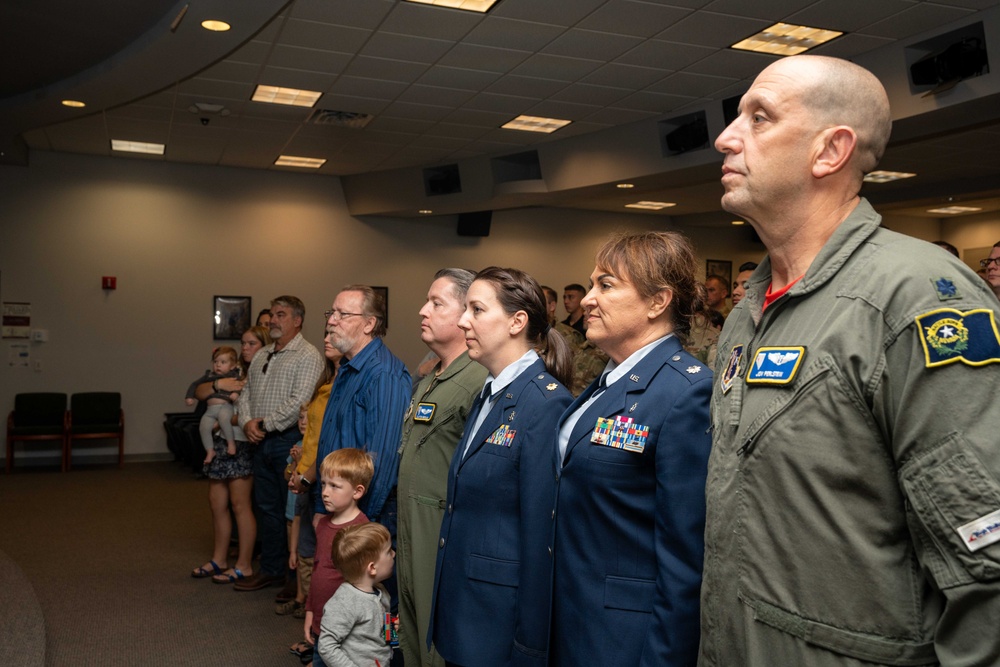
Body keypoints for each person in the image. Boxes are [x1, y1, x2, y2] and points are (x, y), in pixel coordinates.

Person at [701, 55, 1000, 667]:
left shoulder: (912, 296)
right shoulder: (748, 309)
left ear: (829, 151)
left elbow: (985, 558)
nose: (725, 138)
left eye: (759, 118)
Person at [550, 231, 712, 667]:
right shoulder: (610, 380)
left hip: (624, 637)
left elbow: (684, 558)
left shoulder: (686, 392)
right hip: (572, 618)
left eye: (605, 285)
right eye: (591, 285)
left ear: (658, 302)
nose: (586, 299)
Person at [429, 267, 574, 667]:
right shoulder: (490, 393)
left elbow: (541, 536)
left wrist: (530, 645)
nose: (463, 321)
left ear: (517, 321)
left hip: (499, 623)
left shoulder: (545, 404)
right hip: (467, 608)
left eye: (476, 310)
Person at [397, 269, 488, 667]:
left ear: (467, 313)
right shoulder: (432, 375)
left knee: (437, 638)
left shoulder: (479, 378)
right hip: (409, 524)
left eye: (436, 303)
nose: (423, 311)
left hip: (440, 530)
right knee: (411, 629)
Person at [235, 296, 325, 593]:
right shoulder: (262, 355)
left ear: (297, 320)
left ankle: (293, 580)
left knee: (292, 515)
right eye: (272, 314)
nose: (273, 320)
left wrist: (263, 424)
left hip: (287, 441)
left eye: (281, 314)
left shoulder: (307, 355)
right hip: (260, 442)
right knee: (267, 508)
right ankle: (272, 570)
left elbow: (300, 400)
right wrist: (248, 421)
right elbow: (246, 392)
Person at [314, 285, 410, 528]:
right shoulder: (347, 368)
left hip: (360, 516)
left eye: (342, 315)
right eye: (331, 313)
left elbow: (382, 460)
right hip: (337, 508)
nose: (332, 321)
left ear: (369, 324)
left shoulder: (384, 375)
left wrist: (361, 523)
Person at [190, 325, 271, 584]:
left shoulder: (261, 372)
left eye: (251, 344)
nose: (245, 348)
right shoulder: (231, 370)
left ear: (264, 346)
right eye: (243, 343)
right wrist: (216, 384)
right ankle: (219, 559)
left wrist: (221, 418)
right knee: (217, 504)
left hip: (240, 442)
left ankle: (244, 564)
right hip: (220, 444)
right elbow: (200, 392)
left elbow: (256, 410)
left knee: (240, 505)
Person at [305, 448, 373, 667]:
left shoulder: (361, 531)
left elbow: (368, 587)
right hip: (321, 624)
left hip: (349, 631)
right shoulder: (323, 525)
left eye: (335, 486)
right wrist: (310, 612)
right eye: (323, 484)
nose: (325, 492)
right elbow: (317, 572)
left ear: (357, 491)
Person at [317, 523, 396, 667]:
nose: (394, 554)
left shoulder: (381, 592)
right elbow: (326, 646)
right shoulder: (345, 602)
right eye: (389, 551)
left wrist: (393, 631)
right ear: (372, 568)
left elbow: (384, 628)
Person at [184, 346, 243, 465]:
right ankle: (210, 451)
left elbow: (240, 386)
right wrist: (189, 396)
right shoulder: (209, 376)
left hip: (225, 406)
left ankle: (231, 444)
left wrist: (235, 394)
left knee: (224, 419)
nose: (218, 365)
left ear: (232, 366)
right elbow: (195, 384)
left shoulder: (234, 376)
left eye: (223, 362)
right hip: (210, 410)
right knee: (204, 427)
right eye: (215, 362)